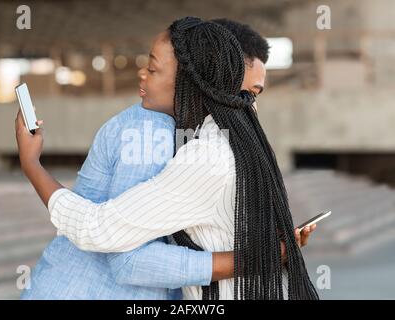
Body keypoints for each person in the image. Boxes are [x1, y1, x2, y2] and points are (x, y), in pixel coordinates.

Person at [16, 17, 318, 300]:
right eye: (247, 91)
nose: (248, 104)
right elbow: (124, 256)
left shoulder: (207, 140)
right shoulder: (153, 130)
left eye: (253, 94)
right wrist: (258, 257)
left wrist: (265, 245)